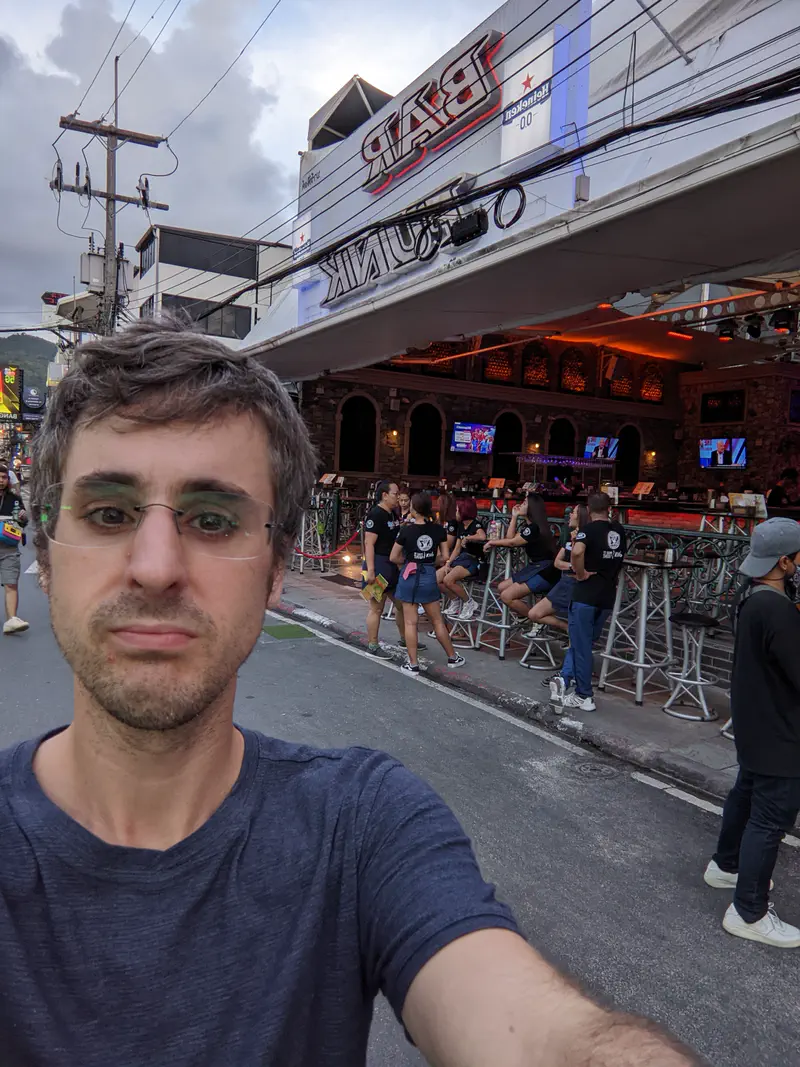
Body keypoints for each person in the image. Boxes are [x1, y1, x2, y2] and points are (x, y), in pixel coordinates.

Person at [0, 321, 702, 1065]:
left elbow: (532, 1030)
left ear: (275, 569)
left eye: (213, 520)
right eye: (109, 513)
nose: (155, 565)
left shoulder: (364, 825)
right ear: (43, 548)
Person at [704, 518, 800, 948]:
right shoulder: (776, 608)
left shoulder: (753, 598)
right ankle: (749, 910)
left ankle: (726, 865)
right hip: (780, 730)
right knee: (769, 820)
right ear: (785, 561)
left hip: (754, 722)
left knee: (746, 795)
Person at [551, 493, 626, 713]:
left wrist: (580, 572)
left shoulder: (588, 530)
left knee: (581, 645)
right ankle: (565, 679)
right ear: (609, 508)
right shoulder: (619, 531)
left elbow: (577, 551)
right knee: (584, 643)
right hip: (607, 595)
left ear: (589, 509)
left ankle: (584, 695)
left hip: (586, 595)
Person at [390, 491, 466, 675]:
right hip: (428, 576)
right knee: (437, 621)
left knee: (410, 622)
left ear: (414, 509)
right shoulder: (438, 530)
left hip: (409, 576)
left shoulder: (406, 530)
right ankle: (453, 657)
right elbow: (445, 557)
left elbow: (394, 557)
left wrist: (409, 561)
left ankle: (413, 664)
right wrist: (430, 560)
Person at [486, 493, 558, 622]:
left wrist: (492, 542)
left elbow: (512, 543)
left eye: (525, 503)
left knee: (507, 596)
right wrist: (514, 517)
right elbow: (510, 538)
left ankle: (534, 619)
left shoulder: (534, 528)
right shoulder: (529, 527)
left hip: (545, 571)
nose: (521, 505)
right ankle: (530, 616)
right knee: (502, 587)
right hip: (536, 567)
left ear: (532, 508)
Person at [524, 504, 590, 638]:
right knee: (534, 614)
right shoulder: (569, 536)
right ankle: (567, 628)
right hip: (563, 581)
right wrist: (571, 566)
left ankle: (572, 633)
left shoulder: (585, 538)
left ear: (581, 517)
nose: (569, 515)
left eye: (574, 512)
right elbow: (557, 562)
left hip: (574, 584)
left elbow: (579, 563)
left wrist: (572, 563)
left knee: (536, 613)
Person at [362, 481, 406, 658]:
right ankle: (372, 644)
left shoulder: (393, 515)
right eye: (395, 494)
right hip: (379, 565)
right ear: (384, 495)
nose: (398, 497)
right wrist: (370, 570)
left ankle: (405, 639)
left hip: (393, 567)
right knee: (376, 608)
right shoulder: (376, 515)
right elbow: (369, 543)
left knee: (402, 605)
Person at [438, 497, 486, 621]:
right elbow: (457, 549)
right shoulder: (460, 526)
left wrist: (469, 538)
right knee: (435, 578)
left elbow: (482, 536)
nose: (456, 513)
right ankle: (455, 600)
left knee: (448, 580)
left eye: (458, 510)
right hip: (461, 558)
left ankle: (469, 602)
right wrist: (449, 562)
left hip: (473, 560)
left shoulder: (476, 524)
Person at [0, 461, 29, 634]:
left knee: (11, 583)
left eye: (3, 477)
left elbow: (22, 523)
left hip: (9, 548)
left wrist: (23, 518)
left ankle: (11, 619)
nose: (1, 480)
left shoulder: (14, 499)